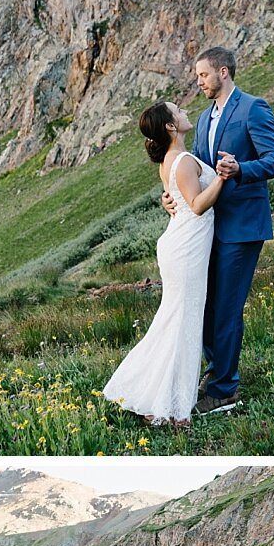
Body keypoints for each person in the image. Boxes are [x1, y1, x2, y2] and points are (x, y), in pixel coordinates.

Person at [103, 101, 232, 425]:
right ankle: (172, 404)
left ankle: (158, 395)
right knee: (183, 322)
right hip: (186, 247)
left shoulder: (170, 161)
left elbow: (177, 199)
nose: (185, 112)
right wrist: (221, 177)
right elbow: (198, 205)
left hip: (181, 243)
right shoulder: (184, 161)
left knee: (176, 320)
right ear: (171, 126)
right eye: (178, 111)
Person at [183, 47, 274, 413]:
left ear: (223, 72)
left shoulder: (253, 108)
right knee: (205, 305)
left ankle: (224, 388)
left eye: (203, 75)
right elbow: (196, 169)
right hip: (208, 224)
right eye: (197, 76)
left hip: (243, 225)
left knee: (226, 308)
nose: (198, 82)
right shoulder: (201, 120)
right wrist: (175, 198)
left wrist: (241, 169)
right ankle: (217, 372)